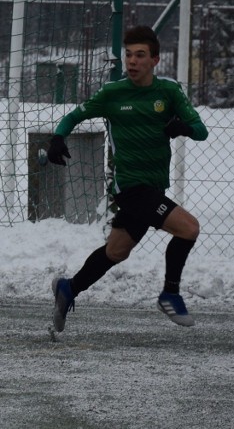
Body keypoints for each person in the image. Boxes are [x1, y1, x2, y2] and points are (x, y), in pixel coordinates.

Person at [47, 26, 209, 332]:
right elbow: (73, 116)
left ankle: (69, 288)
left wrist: (181, 127)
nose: (132, 62)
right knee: (189, 228)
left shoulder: (169, 93)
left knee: (116, 251)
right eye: (129, 55)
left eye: (140, 56)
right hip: (130, 188)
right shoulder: (113, 94)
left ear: (155, 60)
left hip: (153, 187)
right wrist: (58, 137)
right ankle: (170, 294)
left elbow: (201, 130)